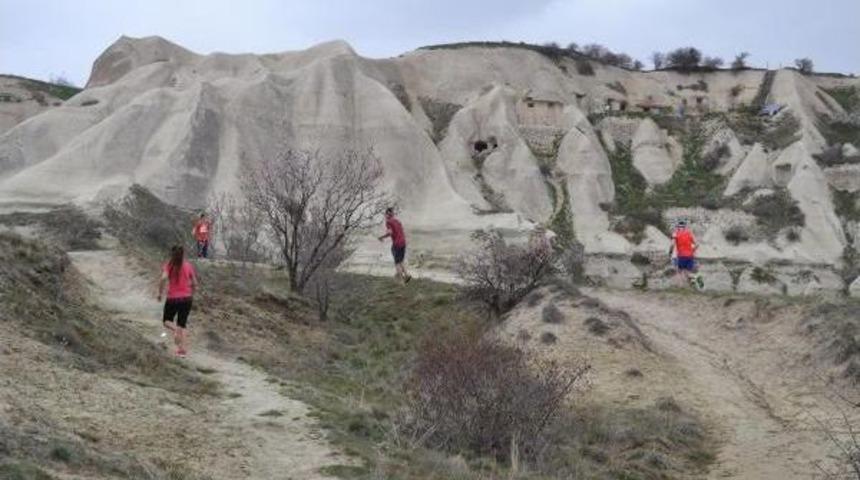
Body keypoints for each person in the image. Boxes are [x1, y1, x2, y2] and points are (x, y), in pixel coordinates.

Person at [157, 245, 198, 358]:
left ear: (172, 255)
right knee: (182, 325)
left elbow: (163, 278)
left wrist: (160, 293)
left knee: (166, 321)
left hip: (173, 299)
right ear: (182, 254)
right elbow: (194, 283)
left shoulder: (169, 266)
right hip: (187, 299)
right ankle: (182, 351)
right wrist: (191, 294)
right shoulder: (188, 266)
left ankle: (175, 330)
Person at [378, 207, 411, 284]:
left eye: (386, 214)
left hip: (397, 244)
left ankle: (401, 280)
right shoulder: (398, 221)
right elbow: (400, 231)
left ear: (387, 214)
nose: (385, 216)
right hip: (403, 242)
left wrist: (381, 237)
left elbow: (390, 233)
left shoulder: (388, 222)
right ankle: (407, 274)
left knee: (397, 263)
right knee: (401, 260)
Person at [668, 219, 701, 289]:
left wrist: (670, 252)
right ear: (685, 227)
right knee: (687, 272)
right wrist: (693, 250)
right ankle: (695, 279)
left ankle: (681, 287)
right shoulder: (689, 233)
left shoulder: (676, 233)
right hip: (690, 256)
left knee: (679, 271)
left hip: (681, 255)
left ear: (677, 227)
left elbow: (672, 244)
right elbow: (697, 244)